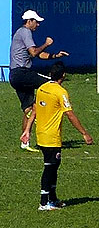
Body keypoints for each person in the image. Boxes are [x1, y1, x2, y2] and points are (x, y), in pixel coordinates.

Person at [31, 64, 91, 210]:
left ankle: (53, 198)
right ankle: (44, 202)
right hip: (51, 137)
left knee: (54, 166)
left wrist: (27, 130)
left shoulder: (42, 88)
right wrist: (84, 133)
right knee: (49, 168)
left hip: (41, 134)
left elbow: (35, 109)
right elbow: (70, 114)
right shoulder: (61, 92)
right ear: (63, 75)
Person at [13, 9, 66, 151]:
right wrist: (46, 43)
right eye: (36, 22)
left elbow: (39, 54)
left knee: (29, 110)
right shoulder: (25, 32)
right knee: (52, 83)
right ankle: (53, 108)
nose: (38, 25)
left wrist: (55, 56)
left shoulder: (21, 33)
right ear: (29, 21)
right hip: (22, 73)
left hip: (15, 76)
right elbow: (34, 52)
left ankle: (25, 142)